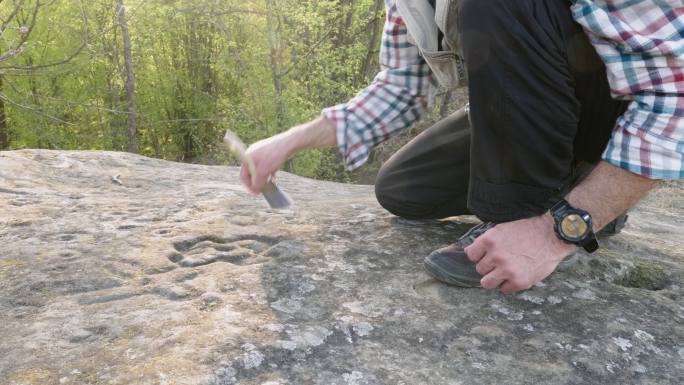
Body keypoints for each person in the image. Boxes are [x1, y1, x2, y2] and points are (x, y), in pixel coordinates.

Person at [239, 0, 683, 293]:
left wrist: (555, 232)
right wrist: (291, 140)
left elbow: (676, 98)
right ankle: (583, 181)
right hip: (545, 107)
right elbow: (400, 87)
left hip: (613, 109)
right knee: (404, 189)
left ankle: (524, 215)